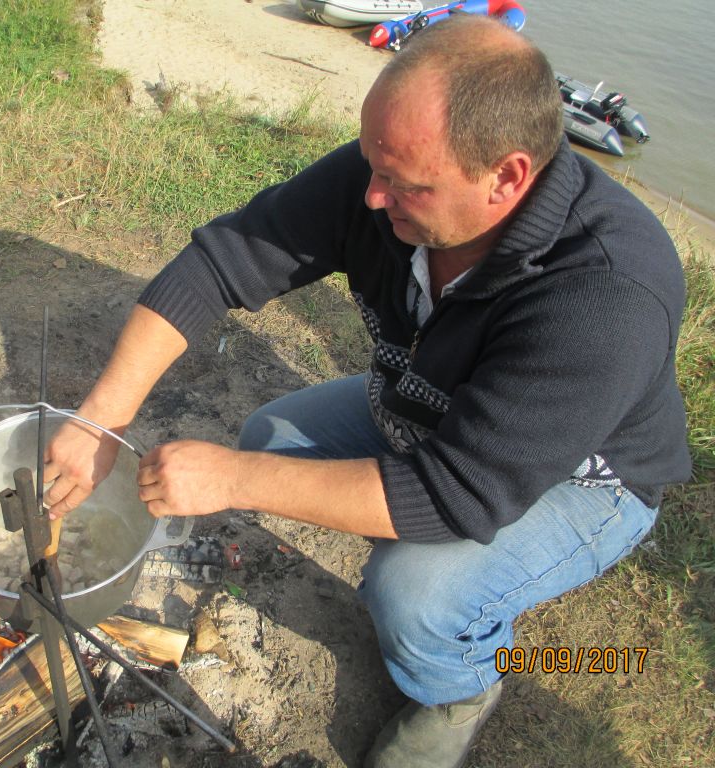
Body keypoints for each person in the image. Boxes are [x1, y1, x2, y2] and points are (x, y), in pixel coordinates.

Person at [41, 15, 691, 768]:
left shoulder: (606, 295)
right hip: (429, 407)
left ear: (506, 178)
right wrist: (99, 420)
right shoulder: (387, 177)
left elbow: (457, 494)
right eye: (373, 164)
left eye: (405, 183)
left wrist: (233, 479)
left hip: (581, 480)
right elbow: (219, 264)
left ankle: (461, 684)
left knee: (411, 595)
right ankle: (407, 536)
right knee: (271, 438)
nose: (373, 197)